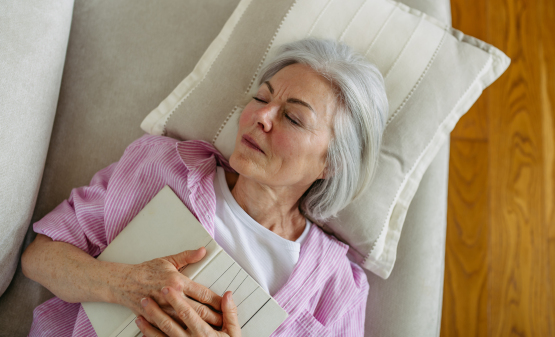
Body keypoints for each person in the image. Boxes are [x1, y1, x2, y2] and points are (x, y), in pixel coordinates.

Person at [21, 38, 388, 337]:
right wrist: (125, 283)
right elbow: (40, 257)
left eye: (293, 117)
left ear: (332, 163)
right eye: (262, 97)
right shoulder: (162, 167)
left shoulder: (336, 287)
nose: (260, 116)